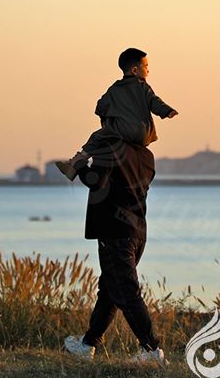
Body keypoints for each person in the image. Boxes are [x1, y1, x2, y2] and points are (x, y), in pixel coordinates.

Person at [64, 136, 167, 367]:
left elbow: (95, 181)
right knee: (110, 289)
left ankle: (151, 349)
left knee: (126, 291)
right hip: (137, 231)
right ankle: (87, 344)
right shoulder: (146, 155)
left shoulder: (110, 147)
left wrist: (80, 165)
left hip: (115, 232)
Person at [56, 48, 178, 181]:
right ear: (135, 70)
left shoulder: (115, 89)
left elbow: (100, 106)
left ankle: (75, 163)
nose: (148, 70)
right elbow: (154, 101)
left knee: (96, 136)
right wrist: (167, 111)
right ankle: (73, 164)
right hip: (143, 134)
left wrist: (109, 118)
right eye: (146, 66)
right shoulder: (143, 87)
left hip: (124, 131)